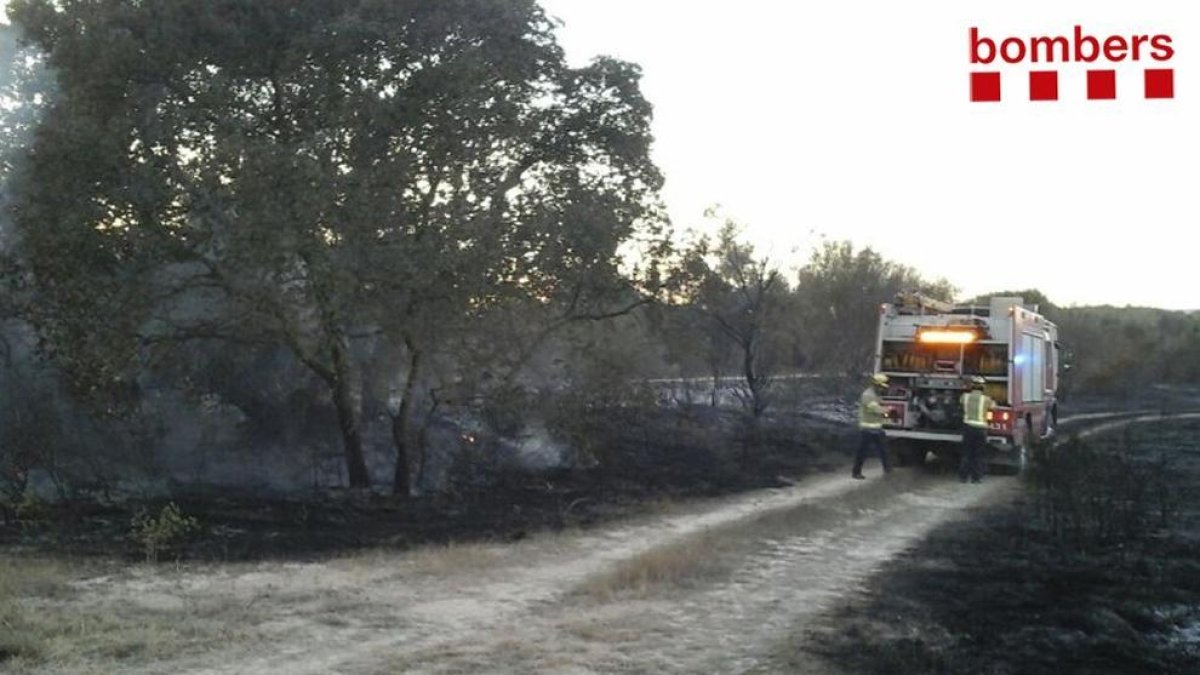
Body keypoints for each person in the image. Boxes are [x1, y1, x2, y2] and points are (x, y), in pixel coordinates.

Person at [852, 373, 891, 479]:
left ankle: (888, 470)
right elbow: (875, 409)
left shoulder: (875, 394)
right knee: (862, 452)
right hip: (867, 429)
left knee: (884, 451)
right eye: (882, 387)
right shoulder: (868, 395)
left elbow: (879, 404)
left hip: (877, 428)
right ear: (876, 385)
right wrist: (888, 410)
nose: (883, 389)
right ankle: (856, 472)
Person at [959, 375, 995, 483]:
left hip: (968, 428)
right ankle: (976, 478)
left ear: (972, 386)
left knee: (966, 453)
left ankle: (963, 477)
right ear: (983, 387)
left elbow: (960, 401)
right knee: (978, 454)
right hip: (981, 430)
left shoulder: (965, 397)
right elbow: (993, 406)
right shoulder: (986, 399)